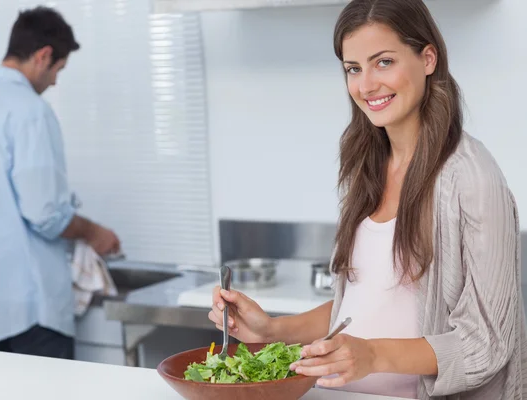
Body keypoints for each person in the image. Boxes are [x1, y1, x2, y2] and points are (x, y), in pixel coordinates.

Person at [208, 0, 527, 398]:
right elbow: (359, 308)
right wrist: (273, 329)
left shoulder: (471, 176)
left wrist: (373, 355)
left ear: (428, 58)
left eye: (384, 62)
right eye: (353, 69)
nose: (366, 85)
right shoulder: (367, 165)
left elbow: (486, 341)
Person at [0, 6, 120, 359]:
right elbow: (46, 214)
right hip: (27, 311)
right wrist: (94, 232)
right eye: (58, 70)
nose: (55, 81)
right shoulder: (30, 111)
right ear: (43, 55)